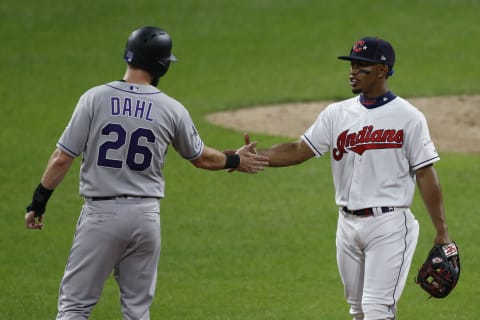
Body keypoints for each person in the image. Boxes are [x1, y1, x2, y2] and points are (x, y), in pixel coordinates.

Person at [24, 26, 269, 320]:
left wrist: (39, 201)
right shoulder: (171, 108)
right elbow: (202, 158)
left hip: (101, 215)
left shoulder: (94, 98)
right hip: (146, 218)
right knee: (138, 311)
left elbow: (62, 158)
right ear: (161, 65)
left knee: (75, 307)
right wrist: (234, 160)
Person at [249, 37, 455, 319]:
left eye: (362, 67)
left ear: (382, 70)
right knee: (358, 311)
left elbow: (425, 172)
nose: (352, 72)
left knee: (376, 309)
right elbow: (298, 150)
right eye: (352, 65)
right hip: (346, 225)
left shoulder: (409, 117)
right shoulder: (337, 114)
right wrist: (252, 157)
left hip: (389, 224)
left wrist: (442, 232)